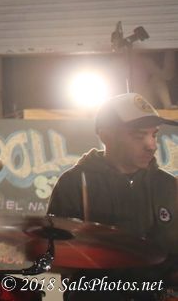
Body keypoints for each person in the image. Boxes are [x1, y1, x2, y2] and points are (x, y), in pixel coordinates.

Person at [48, 92, 178, 300]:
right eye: (139, 136)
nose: (151, 145)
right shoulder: (73, 183)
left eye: (154, 135)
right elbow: (53, 253)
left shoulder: (169, 186)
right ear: (106, 136)